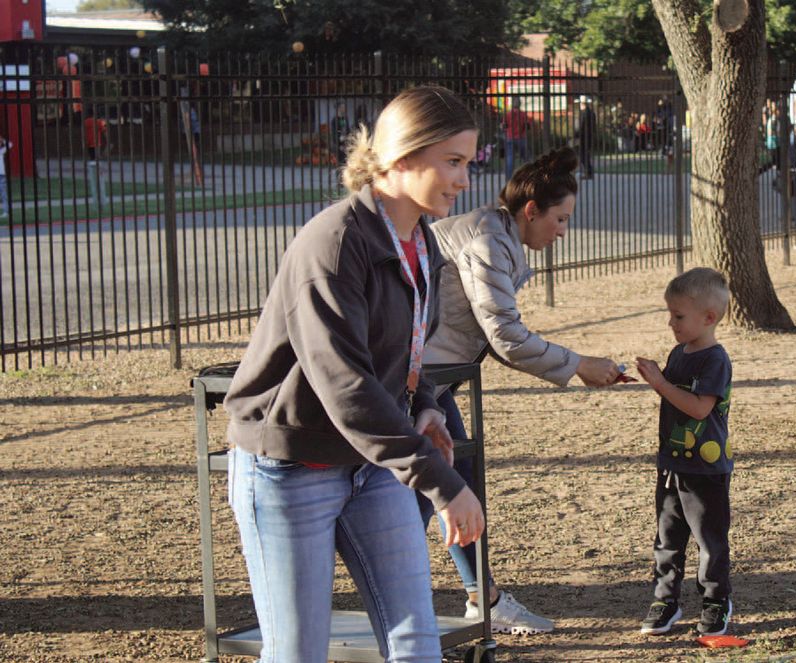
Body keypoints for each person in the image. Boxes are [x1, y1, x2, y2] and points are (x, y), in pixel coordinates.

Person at [222, 85, 485, 663]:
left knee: (417, 644)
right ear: (402, 155)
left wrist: (427, 408)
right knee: (298, 652)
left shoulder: (424, 244)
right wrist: (442, 480)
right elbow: (344, 385)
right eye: (454, 162)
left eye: (468, 163)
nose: (465, 180)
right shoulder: (337, 243)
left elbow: (405, 357)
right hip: (292, 468)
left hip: (370, 467)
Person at [419, 146, 622, 635]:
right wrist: (578, 366)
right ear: (530, 211)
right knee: (432, 486)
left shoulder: (498, 235)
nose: (562, 230)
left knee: (452, 479)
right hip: (418, 376)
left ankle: (481, 597)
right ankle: (444, 597)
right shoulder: (487, 240)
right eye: (560, 218)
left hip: (433, 375)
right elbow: (506, 336)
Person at [635, 267, 735, 637]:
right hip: (672, 465)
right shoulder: (679, 352)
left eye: (678, 316)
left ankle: (715, 600)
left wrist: (660, 382)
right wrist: (656, 377)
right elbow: (674, 395)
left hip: (706, 470)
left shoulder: (715, 360)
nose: (670, 323)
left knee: (709, 539)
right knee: (667, 537)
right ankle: (665, 599)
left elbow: (698, 408)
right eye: (671, 314)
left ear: (709, 318)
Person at [502, 96, 529, 176]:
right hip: (521, 138)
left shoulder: (508, 114)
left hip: (510, 137)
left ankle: (509, 178)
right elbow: (527, 126)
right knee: (525, 158)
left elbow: (504, 126)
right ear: (520, 104)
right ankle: (528, 174)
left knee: (510, 158)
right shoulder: (523, 114)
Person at [574, 96, 597, 179]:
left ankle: (588, 172)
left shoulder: (583, 113)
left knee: (583, 155)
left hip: (583, 137)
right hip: (590, 137)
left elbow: (581, 126)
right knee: (586, 155)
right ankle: (589, 171)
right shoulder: (592, 113)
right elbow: (594, 127)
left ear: (581, 104)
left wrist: (576, 135)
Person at [0, 134, 10, 218]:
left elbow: (10, 144)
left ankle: (6, 212)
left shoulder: (1, 151)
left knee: (4, 195)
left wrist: (3, 140)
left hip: (2, 175)